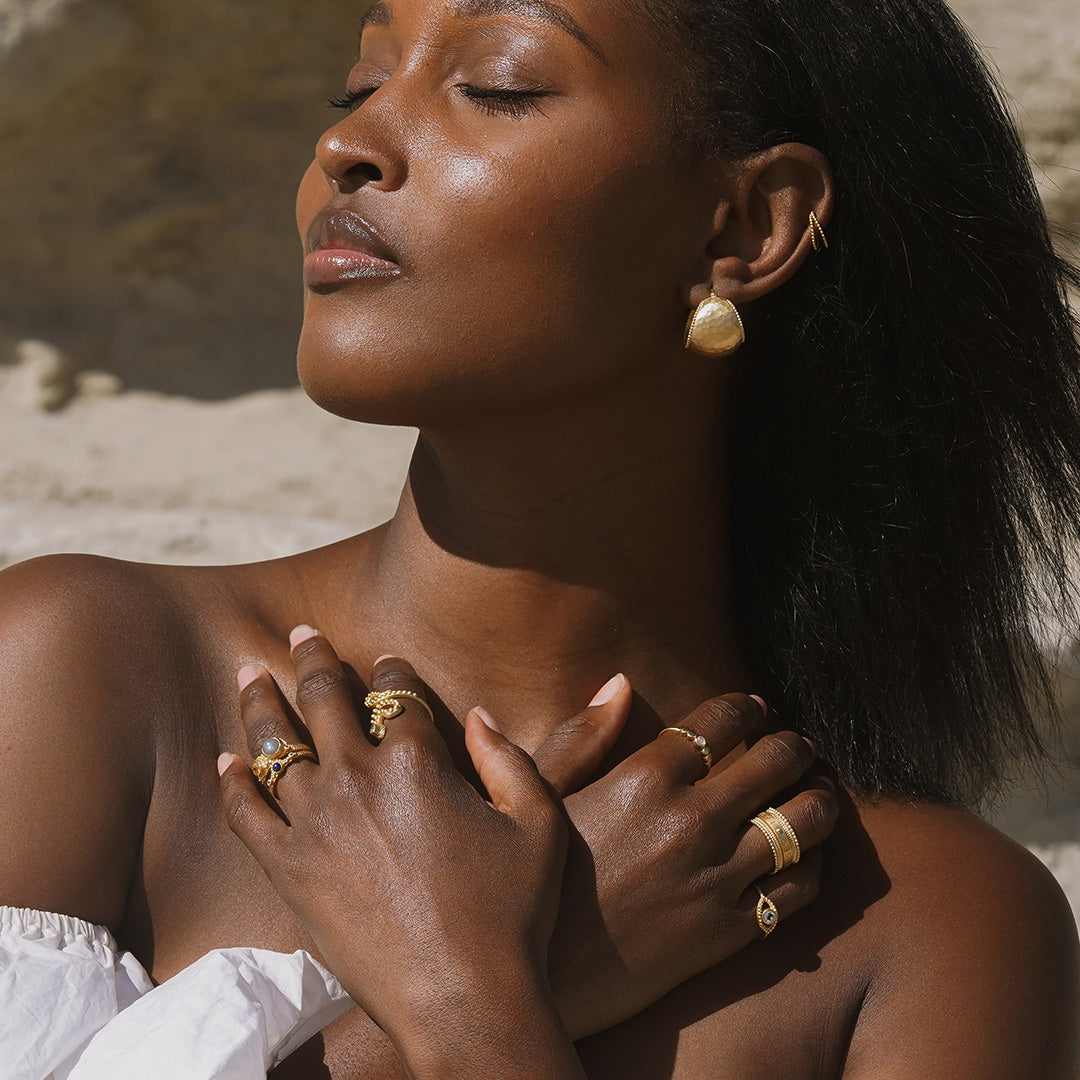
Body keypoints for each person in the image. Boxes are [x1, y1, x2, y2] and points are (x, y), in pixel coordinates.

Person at [2, 0, 1079, 1073]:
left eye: (499, 85)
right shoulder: (80, 677)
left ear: (746, 225)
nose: (347, 145)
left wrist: (477, 1010)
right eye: (363, 84)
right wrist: (509, 979)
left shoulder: (922, 928)